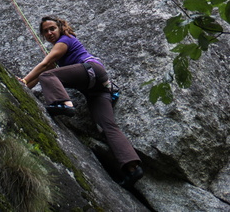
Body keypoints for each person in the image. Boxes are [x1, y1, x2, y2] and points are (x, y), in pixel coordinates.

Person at [18, 15, 143, 189]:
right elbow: (43, 73)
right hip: (98, 88)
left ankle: (64, 104)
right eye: (45, 31)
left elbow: (46, 65)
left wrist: (23, 81)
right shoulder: (62, 48)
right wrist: (24, 87)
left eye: (52, 28)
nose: (49, 33)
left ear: (60, 28)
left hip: (91, 70)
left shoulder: (65, 40)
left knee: (47, 75)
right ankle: (132, 168)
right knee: (107, 126)